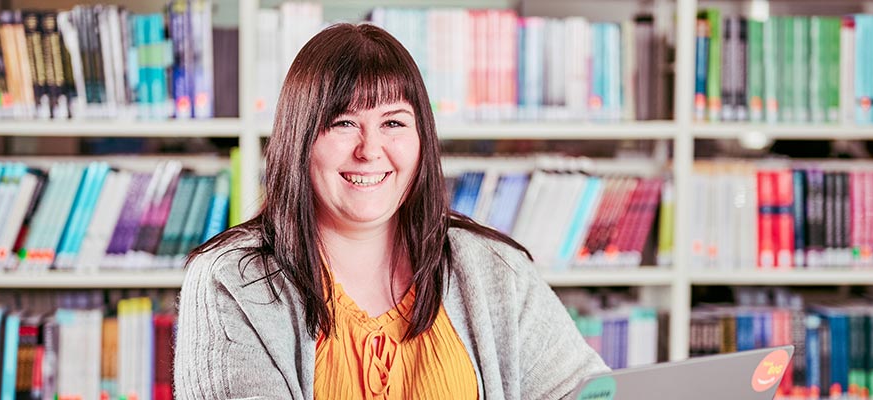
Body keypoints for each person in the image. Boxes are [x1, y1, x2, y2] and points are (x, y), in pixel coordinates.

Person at [174, 23, 607, 399]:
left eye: (394, 123)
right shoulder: (230, 281)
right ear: (298, 140)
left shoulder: (493, 269)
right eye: (343, 123)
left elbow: (586, 390)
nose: (370, 151)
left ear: (423, 140)